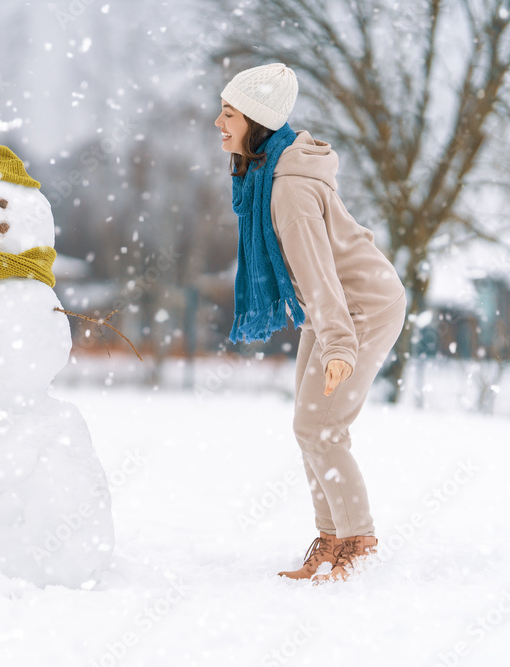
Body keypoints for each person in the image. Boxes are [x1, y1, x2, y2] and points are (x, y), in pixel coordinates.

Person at [214, 64, 407, 583]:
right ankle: (332, 535)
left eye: (228, 113)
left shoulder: (288, 191)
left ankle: (358, 542)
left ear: (254, 121)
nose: (218, 122)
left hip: (358, 305)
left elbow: (320, 275)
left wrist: (340, 346)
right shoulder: (267, 177)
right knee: (310, 426)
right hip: (333, 307)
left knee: (321, 425)